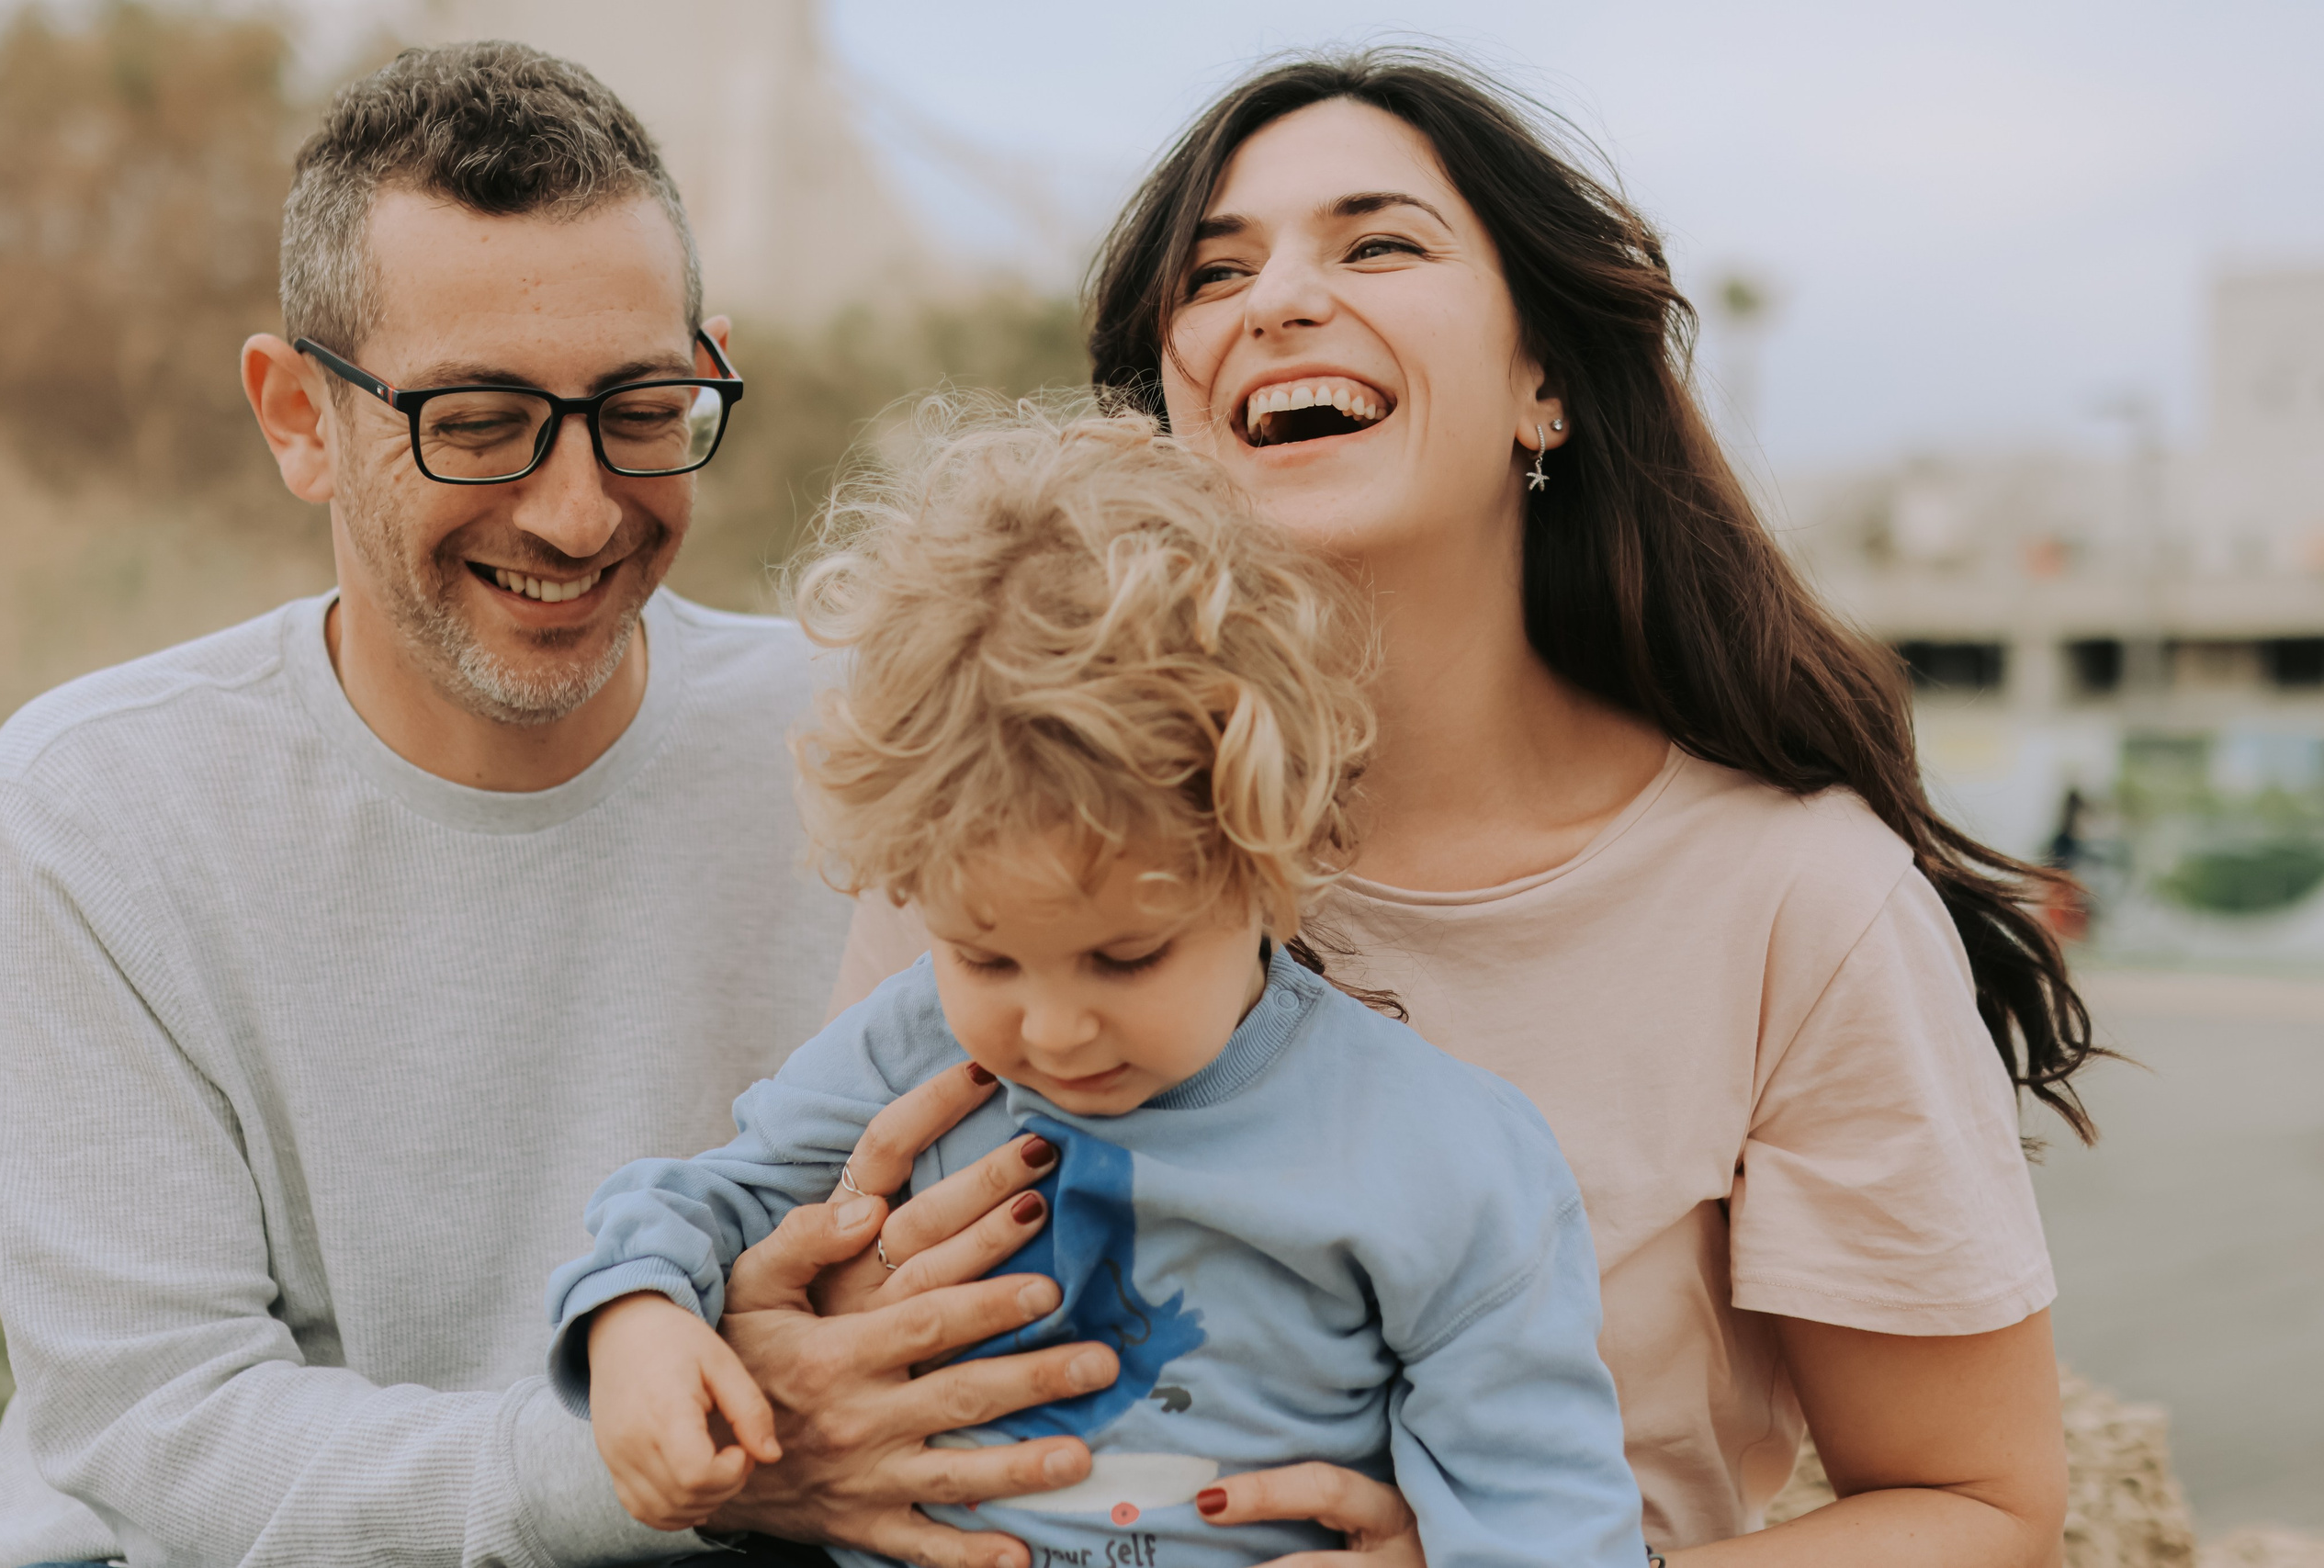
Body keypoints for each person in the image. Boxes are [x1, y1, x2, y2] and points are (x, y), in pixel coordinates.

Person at [830, 47, 2106, 1567]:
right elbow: (816, 1301)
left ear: (1542, 383)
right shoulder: (995, 816)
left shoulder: (1795, 896)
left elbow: (1982, 1506)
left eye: (1377, 244)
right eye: (1216, 273)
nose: (1275, 300)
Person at [0, 43, 1115, 1568]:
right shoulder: (88, 808)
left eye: (640, 407)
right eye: (475, 420)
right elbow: (163, 1429)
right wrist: (663, 1465)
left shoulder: (888, 743)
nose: (577, 512)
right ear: (300, 416)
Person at [544, 404, 1649, 1568]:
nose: (1056, 1030)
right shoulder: (912, 1045)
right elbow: (700, 1202)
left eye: (1127, 958)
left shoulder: (1441, 1155)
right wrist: (636, 1322)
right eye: (986, 957)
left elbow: (1544, 1514)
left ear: (1270, 864)